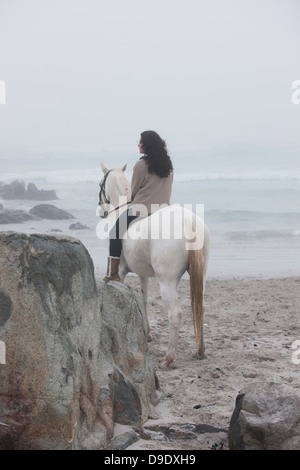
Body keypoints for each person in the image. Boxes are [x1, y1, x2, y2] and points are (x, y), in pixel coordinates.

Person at [103, 130, 174, 282]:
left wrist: (133, 199)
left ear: (148, 145)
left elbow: (134, 191)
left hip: (141, 210)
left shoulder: (141, 164)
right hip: (164, 210)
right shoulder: (168, 165)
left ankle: (112, 273)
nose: (138, 144)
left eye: (141, 142)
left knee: (115, 232)